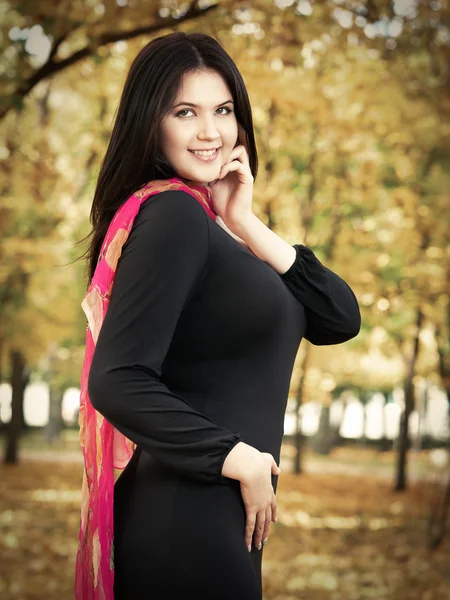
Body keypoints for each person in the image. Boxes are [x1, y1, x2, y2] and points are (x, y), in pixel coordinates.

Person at [74, 31, 361, 600]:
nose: (211, 133)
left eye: (223, 110)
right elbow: (118, 378)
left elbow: (338, 317)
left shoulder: (212, 226)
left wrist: (246, 222)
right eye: (186, 112)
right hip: (189, 514)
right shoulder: (174, 216)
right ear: (150, 122)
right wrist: (238, 459)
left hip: (214, 516)